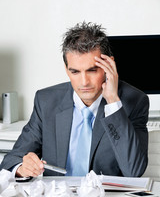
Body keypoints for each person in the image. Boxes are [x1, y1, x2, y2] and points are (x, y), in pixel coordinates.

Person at [0, 22, 149, 178]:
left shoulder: (135, 101)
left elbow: (134, 171)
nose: (84, 82)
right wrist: (22, 167)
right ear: (67, 69)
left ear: (109, 65)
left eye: (92, 70)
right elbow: (11, 161)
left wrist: (112, 101)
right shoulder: (46, 101)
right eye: (75, 72)